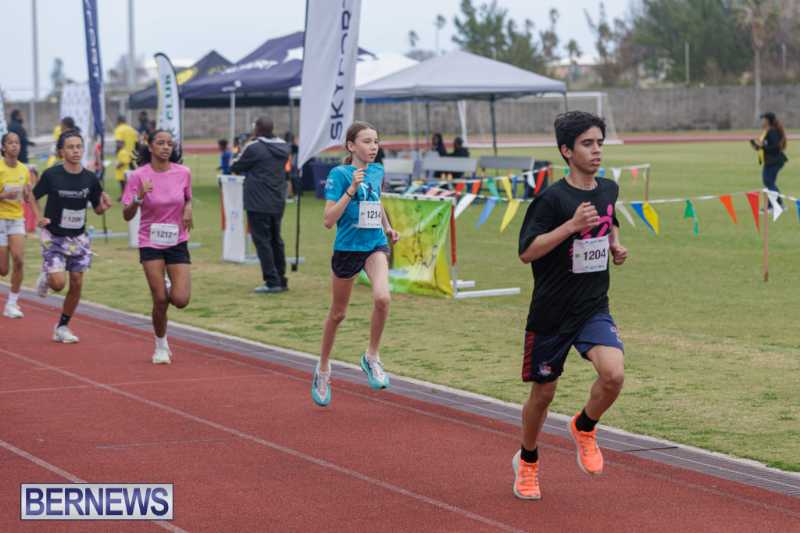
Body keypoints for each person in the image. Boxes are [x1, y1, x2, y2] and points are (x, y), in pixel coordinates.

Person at [513, 111, 627, 500]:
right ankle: (527, 460)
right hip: (551, 312)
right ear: (566, 150)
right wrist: (569, 227)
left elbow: (608, 220)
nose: (596, 151)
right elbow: (527, 252)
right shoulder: (550, 199)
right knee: (543, 395)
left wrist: (614, 244)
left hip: (593, 306)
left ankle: (584, 425)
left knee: (613, 375)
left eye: (599, 143)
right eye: (587, 144)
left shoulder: (609, 189)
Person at [311, 121, 400, 407]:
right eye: (366, 141)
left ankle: (371, 356)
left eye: (376, 141)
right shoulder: (338, 174)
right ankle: (323, 368)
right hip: (347, 248)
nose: (374, 146)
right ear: (351, 146)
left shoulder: (377, 170)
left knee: (383, 298)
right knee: (338, 314)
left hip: (374, 244)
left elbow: (377, 200)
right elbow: (327, 221)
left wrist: (388, 228)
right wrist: (351, 189)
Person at [33, 130, 112, 343]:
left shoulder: (90, 178)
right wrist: (39, 216)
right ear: (61, 151)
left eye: (78, 146)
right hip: (54, 237)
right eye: (70, 147)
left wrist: (104, 207)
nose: (76, 151)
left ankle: (62, 326)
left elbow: (97, 208)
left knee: (76, 283)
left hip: (79, 238)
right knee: (59, 284)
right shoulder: (51, 175)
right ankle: (49, 275)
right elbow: (31, 195)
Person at [122, 129, 193, 365]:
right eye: (160, 143)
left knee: (181, 300)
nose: (166, 147)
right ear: (150, 146)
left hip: (177, 240)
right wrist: (139, 197)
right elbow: (126, 214)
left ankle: (170, 284)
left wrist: (189, 208)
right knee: (160, 299)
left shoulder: (183, 173)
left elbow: (187, 197)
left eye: (169, 144)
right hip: (150, 241)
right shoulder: (138, 176)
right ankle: (161, 344)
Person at [230, 117, 290, 293]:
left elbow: (236, 165)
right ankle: (281, 278)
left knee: (262, 241)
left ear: (257, 129)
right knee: (275, 239)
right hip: (277, 199)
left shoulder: (254, 147)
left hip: (257, 201)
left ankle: (272, 281)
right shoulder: (283, 146)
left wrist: (247, 144)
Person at [0, 132, 41, 318]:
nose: (14, 146)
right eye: (10, 143)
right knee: (2, 269)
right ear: (3, 147)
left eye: (16, 143)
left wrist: (38, 217)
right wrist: (3, 196)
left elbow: (28, 196)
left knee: (19, 259)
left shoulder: (24, 170)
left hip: (16, 218)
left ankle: (12, 303)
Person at [750, 111, 788, 208]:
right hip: (770, 160)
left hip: (775, 161)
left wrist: (762, 148)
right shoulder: (768, 130)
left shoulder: (772, 131)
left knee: (769, 182)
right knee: (769, 183)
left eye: (764, 119)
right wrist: (757, 146)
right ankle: (774, 205)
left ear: (768, 121)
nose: (762, 121)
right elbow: (766, 146)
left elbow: (775, 147)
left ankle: (776, 205)